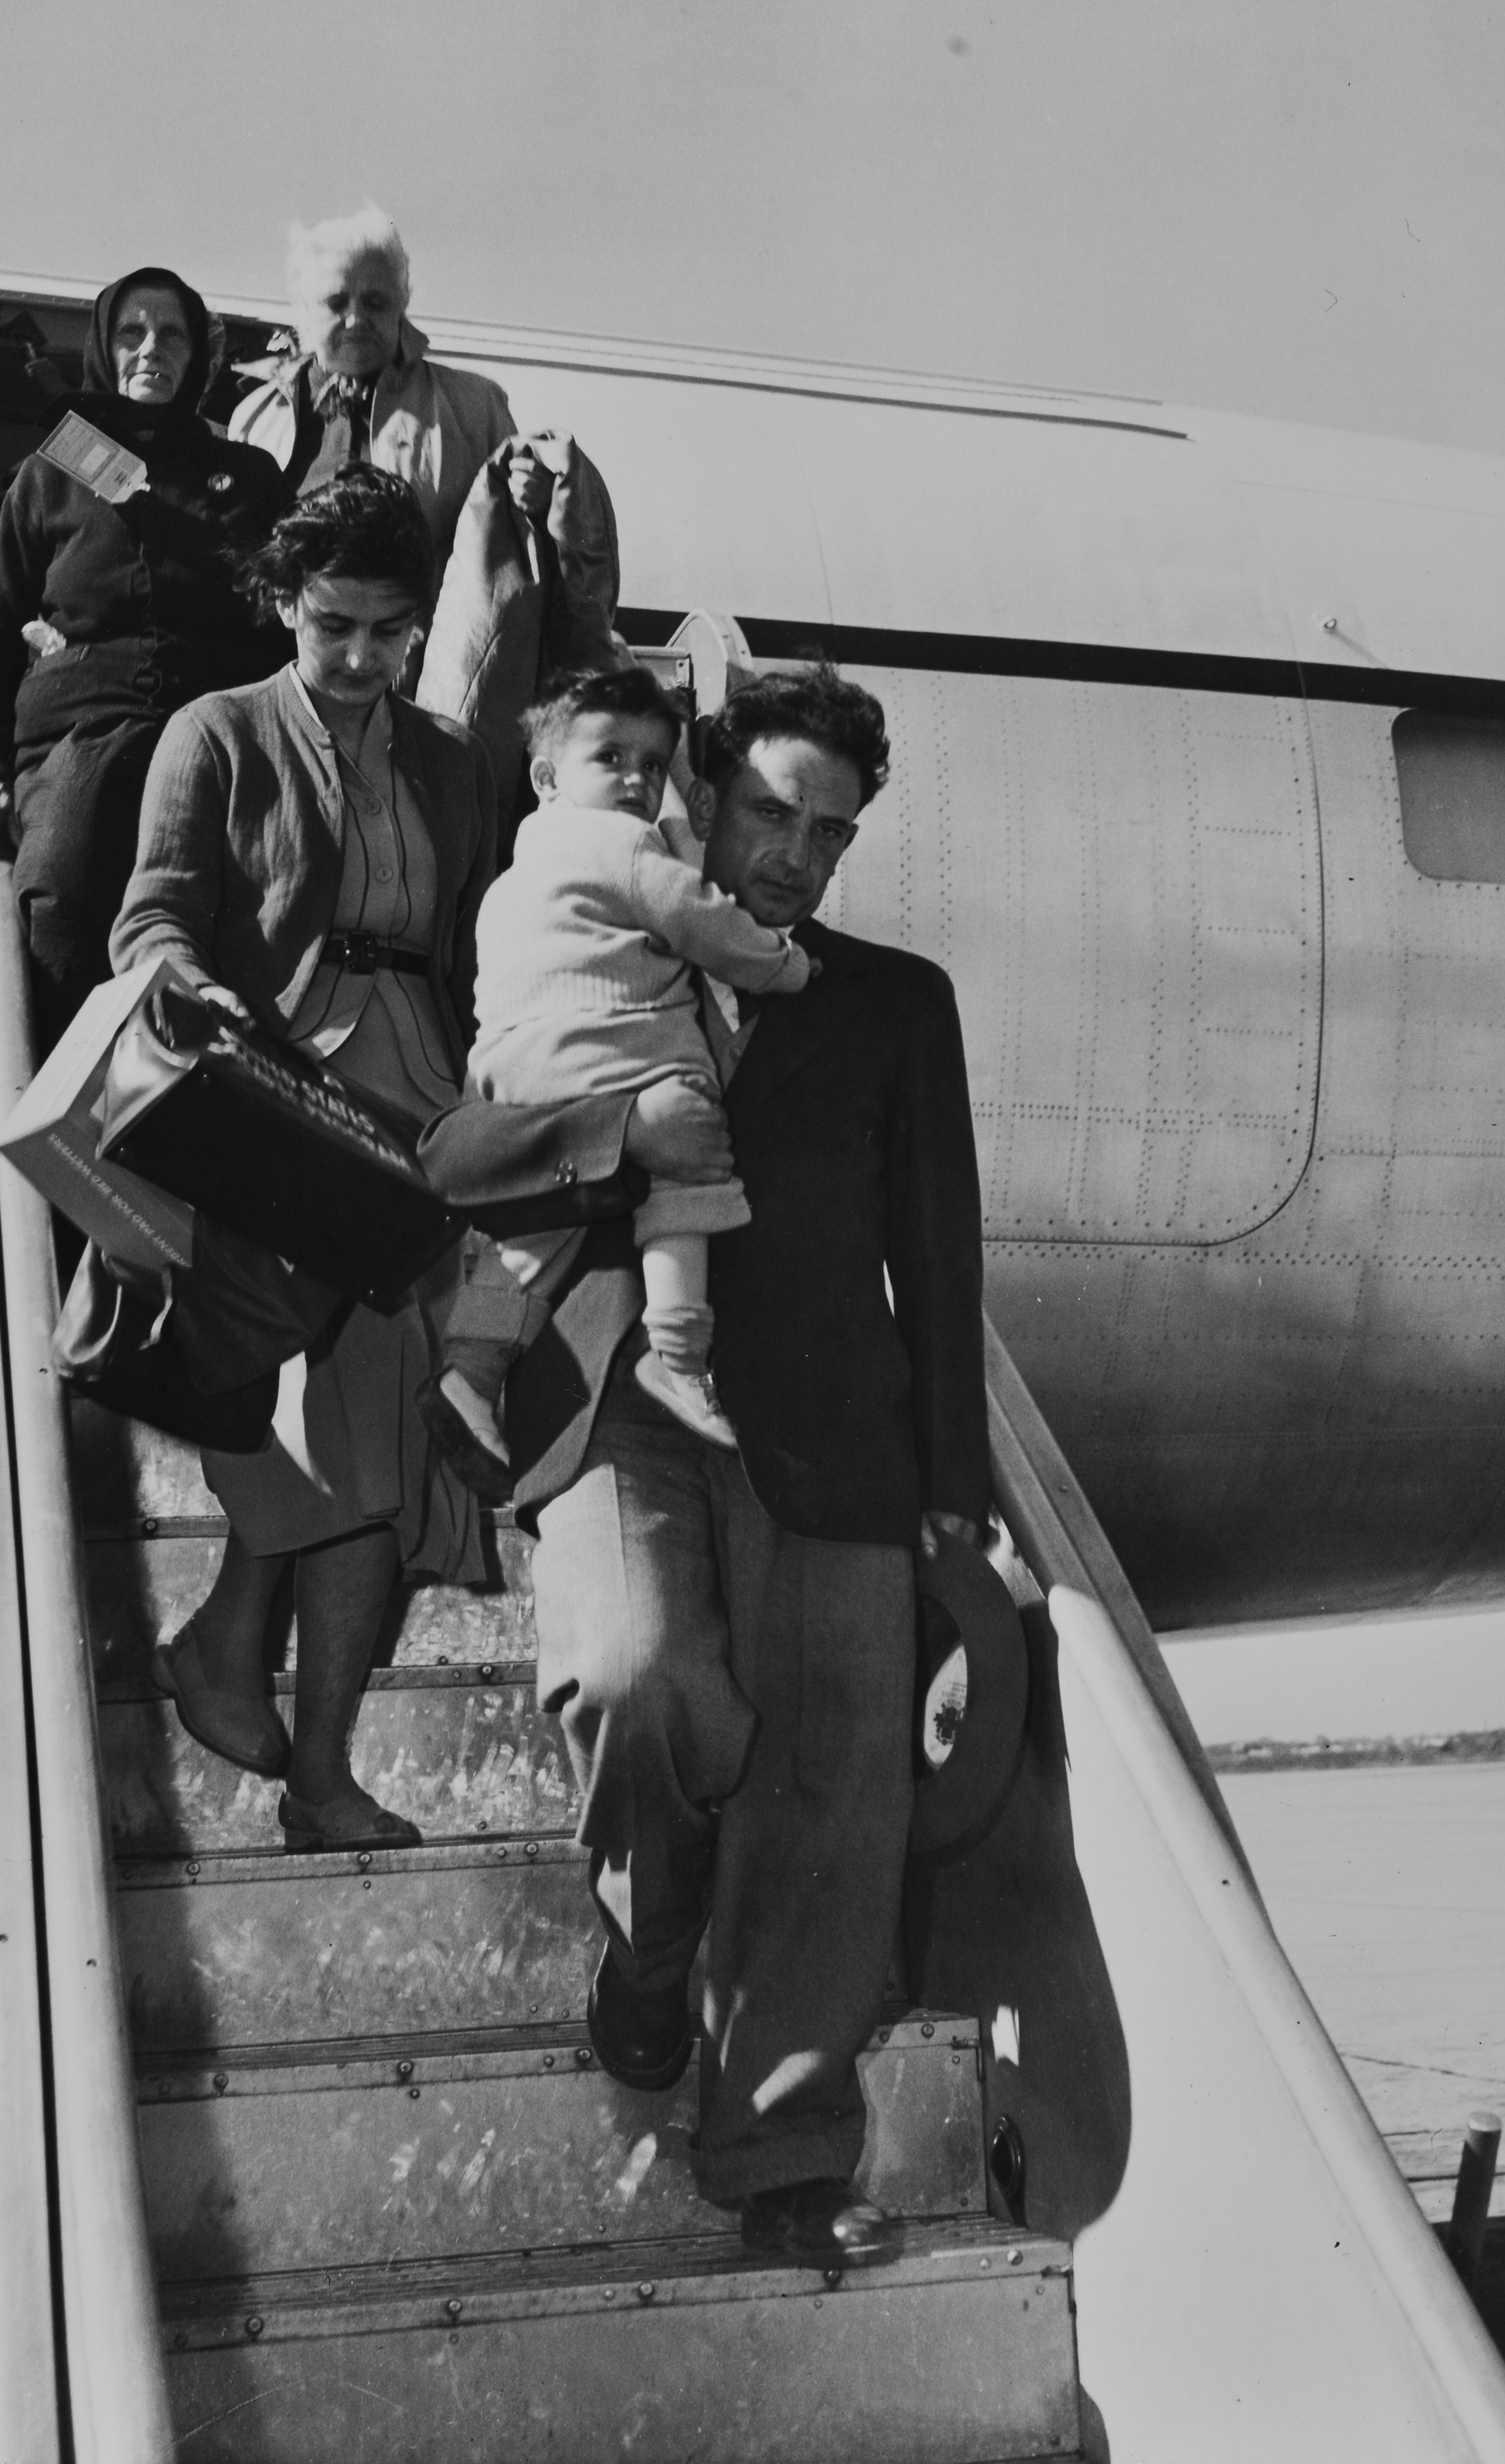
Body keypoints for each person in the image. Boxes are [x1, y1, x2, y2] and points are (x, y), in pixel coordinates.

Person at [417, 667, 990, 2269]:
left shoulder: (893, 1002)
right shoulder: (571, 930)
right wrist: (623, 1145)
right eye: (768, 814)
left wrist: (956, 1490)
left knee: (832, 1790)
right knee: (636, 1676)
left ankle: (786, 2160)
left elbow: (939, 1257)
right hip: (624, 1403)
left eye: (832, 833)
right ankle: (650, 1948)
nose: (796, 856)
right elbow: (457, 1155)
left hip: (830, 1432)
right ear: (701, 794)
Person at [108, 467, 497, 1849]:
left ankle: (231, 1645)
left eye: (390, 631)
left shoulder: (451, 757)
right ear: (284, 602)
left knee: (383, 1447)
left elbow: (476, 940)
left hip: (425, 1104)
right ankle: (316, 1773)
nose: (360, 656)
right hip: (287, 1107)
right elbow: (152, 915)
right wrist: (192, 984)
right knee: (360, 1444)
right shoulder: (215, 734)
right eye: (333, 624)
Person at [423, 667, 812, 1498]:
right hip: (604, 1052)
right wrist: (784, 965)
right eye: (611, 758)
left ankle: (471, 1371)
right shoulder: (624, 847)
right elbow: (700, 919)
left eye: (652, 764)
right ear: (546, 776)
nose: (636, 780)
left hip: (509, 1067)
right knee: (686, 1156)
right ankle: (679, 1356)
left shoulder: (514, 875)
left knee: (534, 1232)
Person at [0, 267, 291, 1050]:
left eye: (172, 334)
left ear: (199, 357)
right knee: (63, 895)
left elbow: (285, 628)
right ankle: (64, 1102)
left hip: (216, 745)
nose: (150, 349)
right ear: (105, 347)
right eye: (131, 332)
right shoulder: (51, 474)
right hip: (81, 742)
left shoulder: (248, 479)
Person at [229, 205, 551, 591]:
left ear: (402, 303)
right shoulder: (255, 418)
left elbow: (520, 549)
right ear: (303, 308)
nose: (355, 319)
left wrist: (537, 504)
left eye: (375, 302)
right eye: (336, 303)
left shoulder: (475, 405)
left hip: (425, 629)